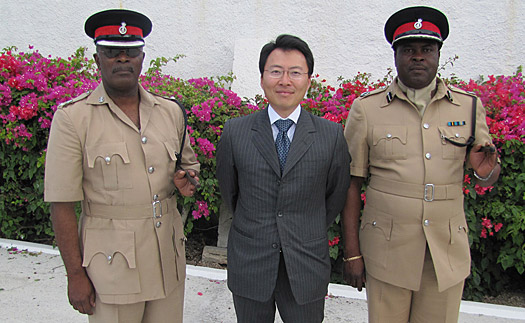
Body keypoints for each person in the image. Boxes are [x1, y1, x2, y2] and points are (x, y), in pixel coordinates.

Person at [341, 6, 501, 323]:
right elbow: (351, 183)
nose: (417, 57)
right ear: (395, 55)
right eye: (408, 50)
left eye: (426, 49)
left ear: (438, 55)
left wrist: (486, 173)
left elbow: (486, 170)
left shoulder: (468, 106)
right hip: (388, 250)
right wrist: (352, 253)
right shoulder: (367, 109)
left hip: (445, 250)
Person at [44, 9, 200, 323]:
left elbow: (189, 166)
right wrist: (75, 275)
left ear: (142, 59)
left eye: (130, 53)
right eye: (112, 52)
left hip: (166, 261)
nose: (122, 59)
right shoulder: (73, 118)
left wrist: (188, 180)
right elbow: (62, 203)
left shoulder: (170, 112)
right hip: (112, 268)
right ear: (97, 59)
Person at [216, 34, 350, 322]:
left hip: (305, 266)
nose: (285, 81)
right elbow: (231, 193)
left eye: (295, 72)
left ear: (308, 80)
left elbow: (334, 196)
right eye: (276, 71)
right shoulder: (235, 132)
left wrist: (302, 226)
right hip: (251, 264)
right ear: (262, 78)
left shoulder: (330, 136)